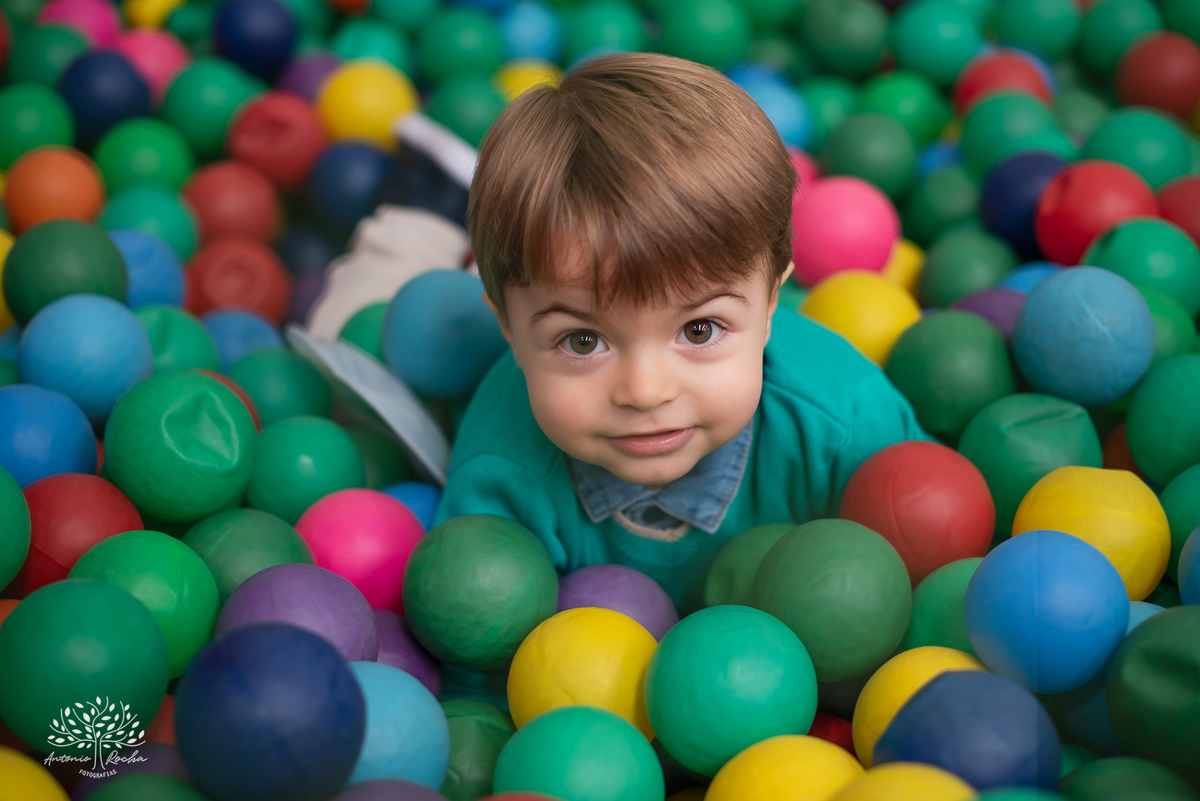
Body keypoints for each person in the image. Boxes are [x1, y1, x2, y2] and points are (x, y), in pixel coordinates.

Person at [434, 51, 928, 611]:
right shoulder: (500, 479)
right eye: (582, 340)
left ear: (770, 303)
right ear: (508, 328)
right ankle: (427, 212)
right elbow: (474, 642)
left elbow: (935, 540)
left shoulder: (847, 422)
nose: (646, 392)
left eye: (698, 330)